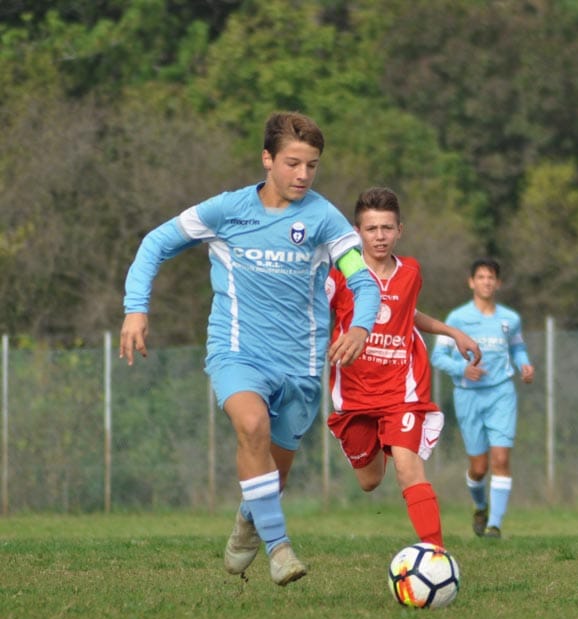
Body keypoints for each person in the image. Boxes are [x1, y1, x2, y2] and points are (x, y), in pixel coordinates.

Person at [119, 111, 380, 587]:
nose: (303, 175)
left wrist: (361, 327)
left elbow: (362, 280)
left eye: (312, 165)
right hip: (237, 352)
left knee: (273, 479)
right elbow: (155, 243)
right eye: (293, 163)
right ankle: (280, 549)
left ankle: (249, 518)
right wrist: (136, 309)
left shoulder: (324, 219)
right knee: (252, 425)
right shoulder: (227, 210)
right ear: (267, 159)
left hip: (301, 365)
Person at [325, 186, 481, 547]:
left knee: (409, 468)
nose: (380, 236)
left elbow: (409, 314)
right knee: (369, 481)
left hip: (402, 389)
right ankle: (382, 439)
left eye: (387, 228)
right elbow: (314, 314)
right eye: (371, 228)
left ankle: (437, 556)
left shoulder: (411, 271)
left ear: (400, 230)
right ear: (357, 232)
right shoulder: (341, 275)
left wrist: (452, 332)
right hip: (354, 393)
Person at [431, 258, 535, 539]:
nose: (486, 282)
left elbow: (518, 349)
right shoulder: (457, 319)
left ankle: (494, 526)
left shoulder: (510, 319)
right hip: (468, 397)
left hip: (501, 394)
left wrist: (525, 365)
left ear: (498, 283)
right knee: (479, 468)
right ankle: (480, 507)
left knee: (501, 459)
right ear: (471, 282)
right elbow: (438, 357)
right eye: (481, 277)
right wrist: (462, 369)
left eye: (491, 277)